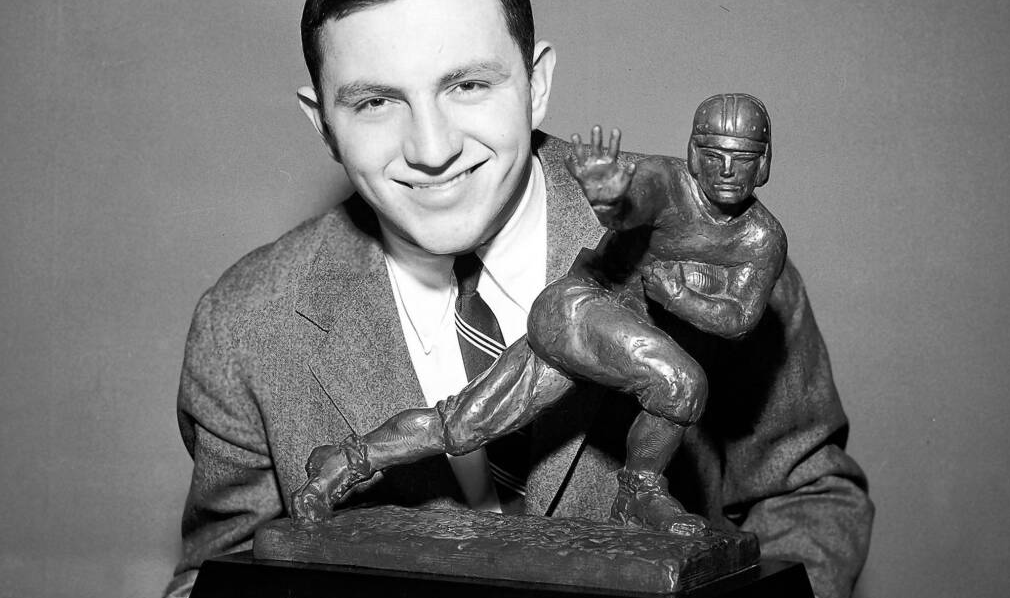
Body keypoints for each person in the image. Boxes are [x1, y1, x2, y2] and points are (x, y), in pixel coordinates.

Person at [73, 0, 871, 598]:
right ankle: (353, 461)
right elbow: (229, 573)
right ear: (321, 121)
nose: (432, 146)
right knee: (484, 418)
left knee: (549, 405)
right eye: (377, 101)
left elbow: (807, 490)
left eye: (468, 86)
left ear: (539, 81)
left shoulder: (724, 240)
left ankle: (405, 463)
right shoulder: (243, 327)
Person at [291, 95, 788, 541]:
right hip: (577, 307)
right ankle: (638, 492)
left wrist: (679, 298)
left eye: (741, 158)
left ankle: (343, 461)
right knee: (681, 384)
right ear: (693, 155)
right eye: (713, 154)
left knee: (462, 427)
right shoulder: (669, 181)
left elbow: (739, 320)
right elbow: (633, 204)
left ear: (762, 164)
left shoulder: (761, 239)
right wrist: (610, 198)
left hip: (590, 342)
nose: (725, 169)